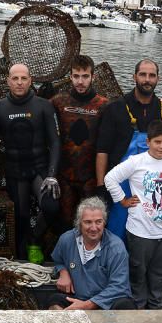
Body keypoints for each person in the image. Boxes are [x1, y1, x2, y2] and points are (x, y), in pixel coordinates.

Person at [0, 63, 61, 262]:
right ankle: (22, 258)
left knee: (51, 207)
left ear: (30, 81)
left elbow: (55, 142)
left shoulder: (43, 106)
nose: (20, 82)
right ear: (8, 81)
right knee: (20, 217)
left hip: (40, 169)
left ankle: (34, 239)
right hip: (15, 171)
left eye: (24, 78)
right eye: (15, 78)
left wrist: (52, 175)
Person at [104, 121, 162, 309]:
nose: (161, 147)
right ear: (148, 141)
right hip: (140, 231)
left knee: (159, 275)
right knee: (138, 272)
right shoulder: (136, 162)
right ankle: (138, 307)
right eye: (157, 142)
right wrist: (123, 200)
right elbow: (110, 178)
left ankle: (156, 308)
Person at [95, 58, 162, 240]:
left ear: (158, 79)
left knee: (150, 227)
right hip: (122, 182)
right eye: (143, 75)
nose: (147, 79)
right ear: (134, 77)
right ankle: (116, 264)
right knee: (118, 227)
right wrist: (101, 186)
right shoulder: (115, 108)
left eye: (152, 75)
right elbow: (102, 150)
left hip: (154, 182)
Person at [50, 54, 109, 233]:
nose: (80, 81)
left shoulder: (103, 105)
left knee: (90, 223)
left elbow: (108, 142)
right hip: (65, 175)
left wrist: (101, 183)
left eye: (85, 76)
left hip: (90, 176)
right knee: (65, 221)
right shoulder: (58, 102)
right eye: (76, 76)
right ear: (70, 77)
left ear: (93, 77)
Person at [47, 197, 135, 310]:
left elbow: (119, 286)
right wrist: (63, 272)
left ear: (104, 222)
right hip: (76, 298)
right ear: (79, 223)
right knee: (54, 301)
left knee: (126, 306)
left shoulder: (116, 247)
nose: (94, 228)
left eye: (98, 222)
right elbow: (58, 260)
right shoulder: (67, 239)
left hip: (105, 303)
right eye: (88, 222)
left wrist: (87, 305)